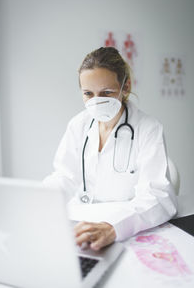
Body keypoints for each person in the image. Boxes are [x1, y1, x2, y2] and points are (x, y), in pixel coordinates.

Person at [43, 47, 178, 251]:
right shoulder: (78, 125)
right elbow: (65, 176)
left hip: (125, 228)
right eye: (88, 93)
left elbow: (158, 196)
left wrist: (114, 227)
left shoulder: (149, 129)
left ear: (125, 87)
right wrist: (38, 200)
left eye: (106, 92)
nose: (97, 101)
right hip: (82, 225)